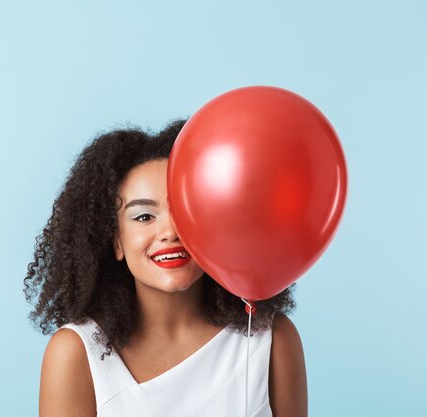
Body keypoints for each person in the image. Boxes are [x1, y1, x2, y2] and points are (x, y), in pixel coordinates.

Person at [24, 120, 307, 417]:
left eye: (187, 210)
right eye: (144, 217)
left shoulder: (271, 338)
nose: (170, 231)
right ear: (116, 242)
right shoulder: (76, 353)